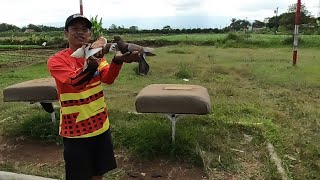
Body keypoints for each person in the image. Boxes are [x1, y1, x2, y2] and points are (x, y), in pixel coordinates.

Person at [47, 13, 139, 180]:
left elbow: (108, 78)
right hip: (75, 130)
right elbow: (75, 82)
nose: (80, 32)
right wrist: (91, 62)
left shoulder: (97, 54)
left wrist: (117, 61)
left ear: (90, 34)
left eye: (85, 29)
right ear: (66, 33)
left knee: (98, 173)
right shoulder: (57, 60)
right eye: (75, 28)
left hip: (100, 125)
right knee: (79, 176)